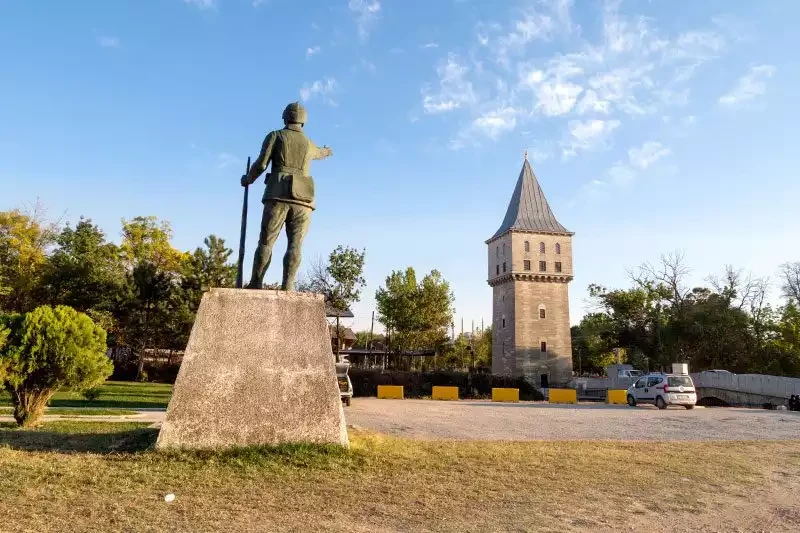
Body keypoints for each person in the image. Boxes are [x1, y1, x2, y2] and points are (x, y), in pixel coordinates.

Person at [240, 102, 333, 290]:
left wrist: (248, 179)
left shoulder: (276, 136)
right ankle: (288, 286)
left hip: (278, 195)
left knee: (266, 241)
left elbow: (261, 165)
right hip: (304, 200)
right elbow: (321, 153)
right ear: (303, 121)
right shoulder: (309, 144)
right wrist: (327, 151)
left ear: (285, 117)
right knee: (296, 244)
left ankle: (256, 283)